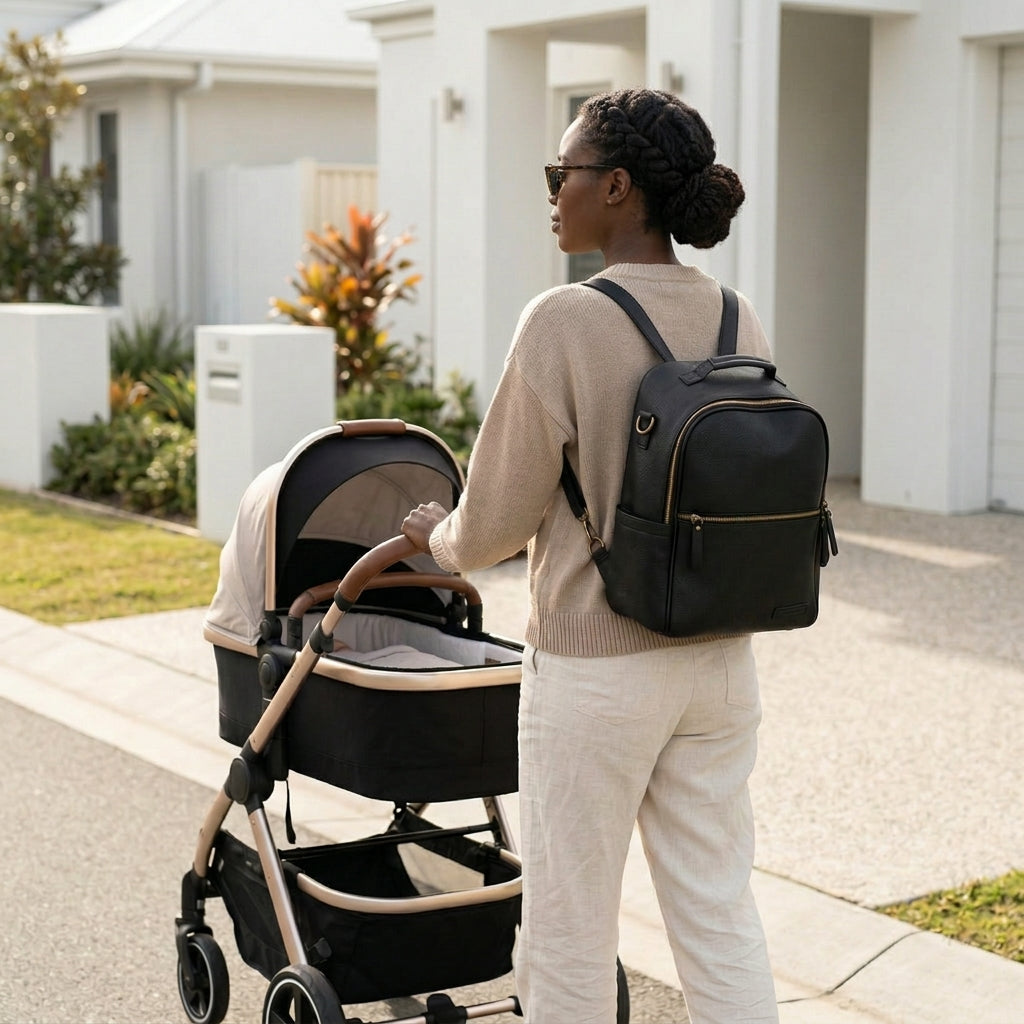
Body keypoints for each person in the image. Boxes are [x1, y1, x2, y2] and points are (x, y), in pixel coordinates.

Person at [402, 88, 779, 1024]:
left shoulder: (564, 319)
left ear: (616, 187)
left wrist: (431, 538)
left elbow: (489, 525)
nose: (552, 193)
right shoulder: (737, 317)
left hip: (596, 668)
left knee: (569, 928)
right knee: (719, 914)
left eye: (560, 174)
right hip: (721, 661)